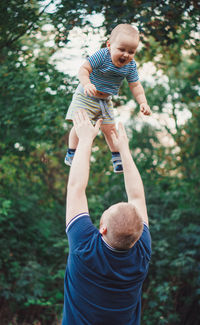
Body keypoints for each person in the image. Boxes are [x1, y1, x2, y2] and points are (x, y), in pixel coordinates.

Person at [62, 110, 151, 325]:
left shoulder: (85, 246)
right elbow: (136, 196)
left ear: (102, 228)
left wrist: (85, 140)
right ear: (138, 235)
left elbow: (77, 187)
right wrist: (123, 152)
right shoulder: (140, 253)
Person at [64, 23, 151, 173]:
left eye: (131, 51)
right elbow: (84, 69)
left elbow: (135, 85)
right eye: (121, 49)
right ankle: (72, 153)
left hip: (105, 101)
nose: (126, 55)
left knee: (110, 129)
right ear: (109, 45)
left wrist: (143, 102)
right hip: (86, 95)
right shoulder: (102, 55)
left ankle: (117, 158)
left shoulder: (130, 66)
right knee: (81, 124)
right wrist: (87, 84)